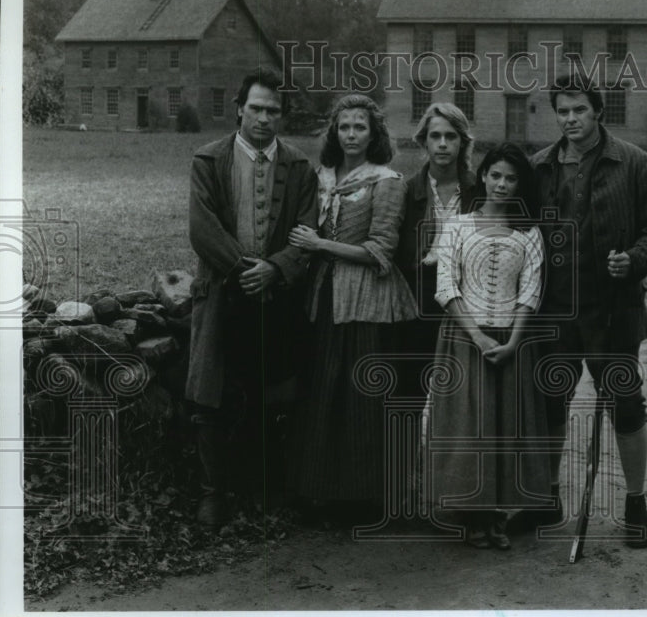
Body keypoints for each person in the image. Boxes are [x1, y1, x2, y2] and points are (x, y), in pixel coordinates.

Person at [526, 71, 647, 548]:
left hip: (612, 309)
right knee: (550, 402)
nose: (570, 119)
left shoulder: (634, 163)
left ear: (597, 111)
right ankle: (547, 497)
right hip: (554, 311)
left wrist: (634, 260)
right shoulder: (540, 167)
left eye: (579, 110)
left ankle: (635, 504)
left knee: (625, 405)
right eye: (563, 111)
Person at [186, 66, 318, 529]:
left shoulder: (300, 167)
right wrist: (247, 269)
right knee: (211, 394)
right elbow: (202, 229)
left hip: (276, 297)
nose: (264, 118)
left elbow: (308, 234)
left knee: (273, 390)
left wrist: (276, 268)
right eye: (256, 108)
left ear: (283, 115)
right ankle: (212, 495)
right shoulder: (209, 159)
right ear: (240, 108)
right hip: (222, 292)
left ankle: (265, 488)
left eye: (274, 111)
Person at [286, 93, 417, 523]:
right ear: (334, 132)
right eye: (344, 127)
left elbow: (382, 250)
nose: (351, 134)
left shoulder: (386, 181)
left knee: (363, 398)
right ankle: (319, 493)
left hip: (370, 303)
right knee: (324, 392)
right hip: (324, 299)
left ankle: (369, 499)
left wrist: (321, 244)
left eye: (360, 127)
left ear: (374, 133)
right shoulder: (321, 177)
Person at [428, 144, 551, 549]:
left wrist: (513, 341)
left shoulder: (530, 233)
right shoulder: (459, 226)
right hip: (464, 337)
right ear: (483, 176)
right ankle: (469, 514)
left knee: (505, 428)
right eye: (495, 175)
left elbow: (530, 292)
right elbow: (445, 287)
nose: (501, 184)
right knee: (469, 427)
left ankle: (498, 515)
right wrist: (477, 336)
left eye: (511, 178)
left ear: (520, 185)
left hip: (512, 340)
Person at [395, 103, 478, 402]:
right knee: (409, 392)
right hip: (418, 298)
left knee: (463, 395)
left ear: (463, 142)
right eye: (435, 136)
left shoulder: (478, 192)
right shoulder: (405, 191)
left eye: (451, 136)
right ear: (424, 141)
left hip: (466, 300)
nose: (443, 144)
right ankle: (408, 451)